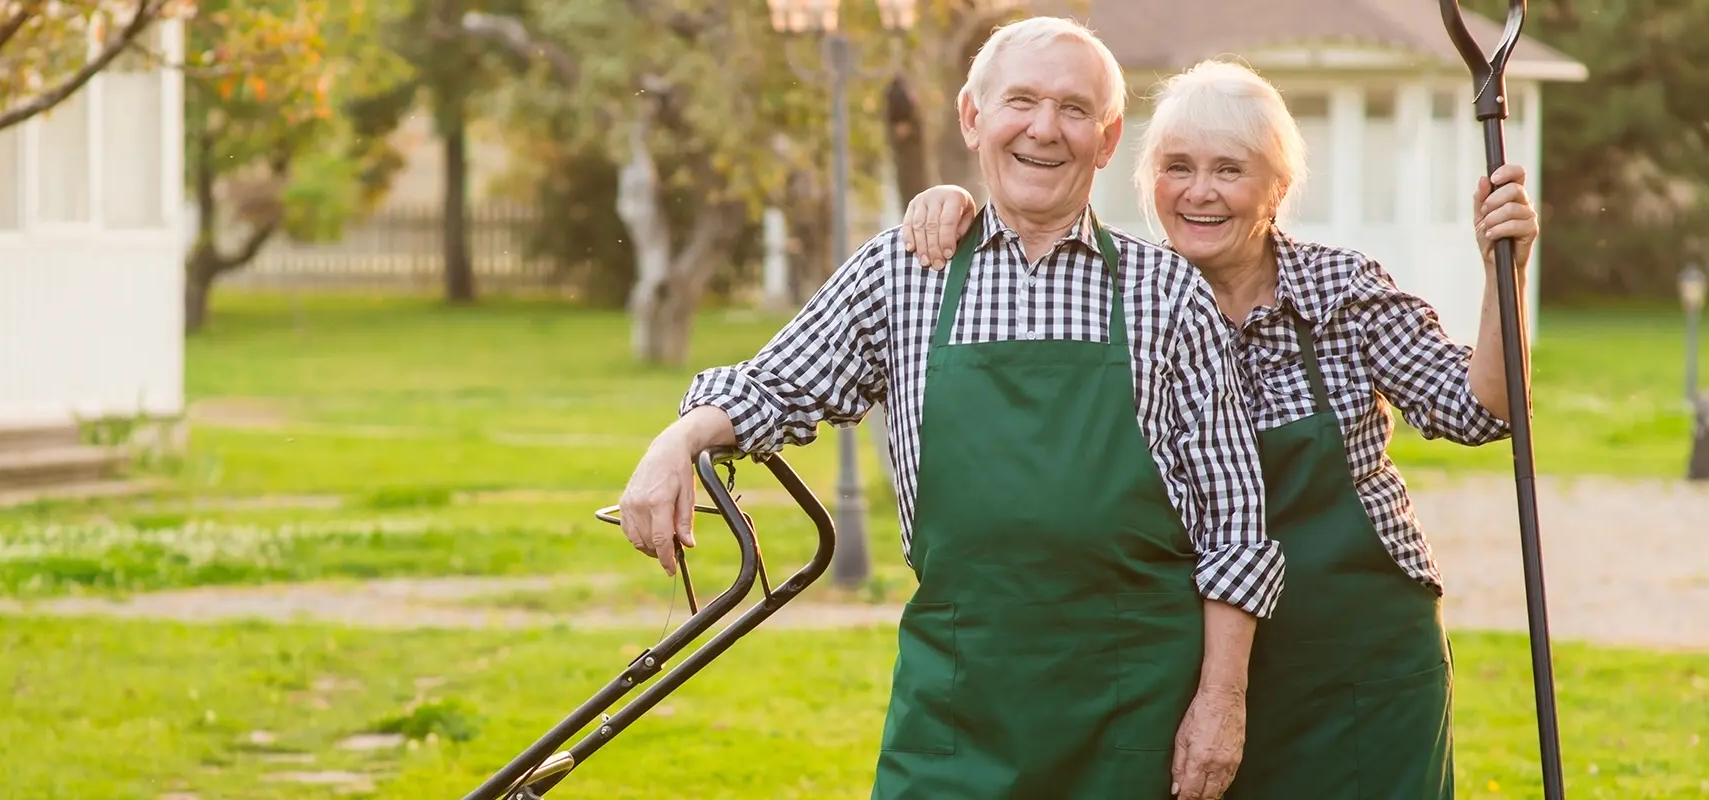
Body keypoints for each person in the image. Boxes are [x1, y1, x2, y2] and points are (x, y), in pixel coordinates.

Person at [617, 18, 1285, 800]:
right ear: (972, 117)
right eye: (1022, 102)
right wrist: (679, 440)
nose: (1045, 129)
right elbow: (777, 384)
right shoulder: (906, 272)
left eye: (1075, 111)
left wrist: (1221, 701)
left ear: (1107, 141)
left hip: (1134, 708)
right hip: (956, 708)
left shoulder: (1167, 293)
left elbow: (1237, 528)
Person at [897, 58, 1538, 799]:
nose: (1199, 192)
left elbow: (1483, 409)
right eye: (1177, 167)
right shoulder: (1132, 298)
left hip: (1360, 663)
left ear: (1279, 189)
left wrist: (1506, 273)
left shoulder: (1342, 292)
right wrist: (949, 205)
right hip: (1198, 668)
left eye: (1229, 170)